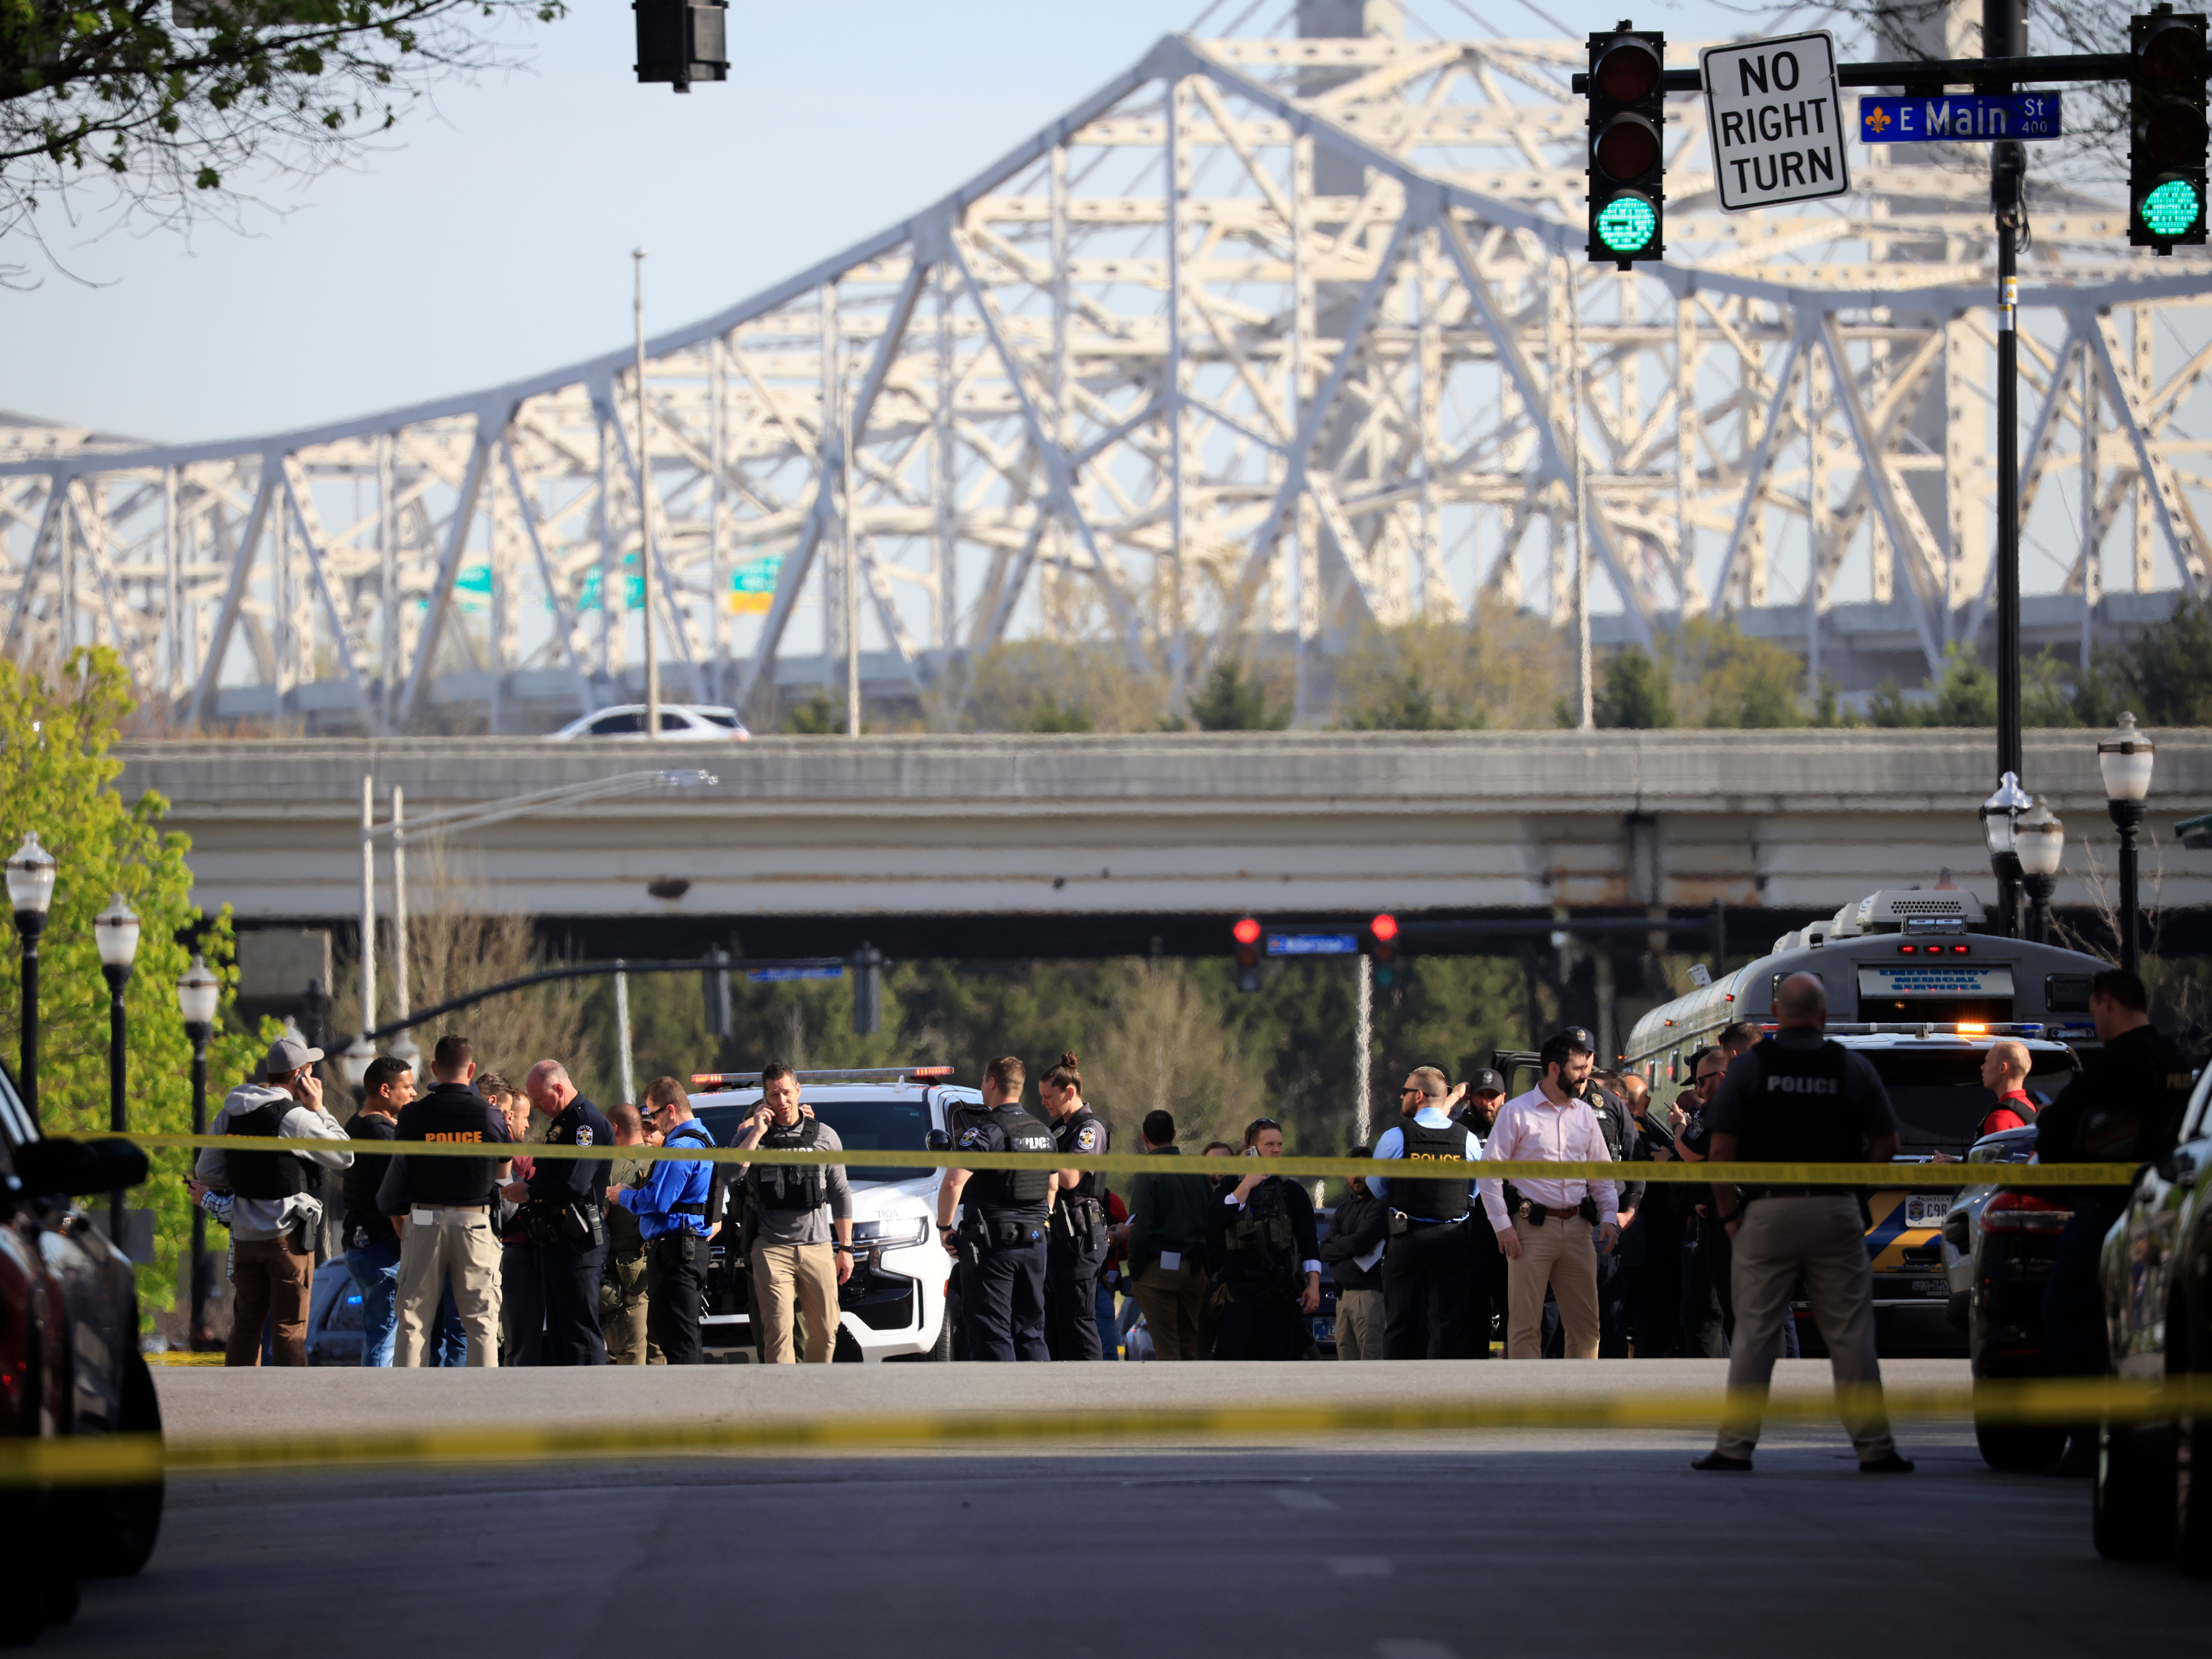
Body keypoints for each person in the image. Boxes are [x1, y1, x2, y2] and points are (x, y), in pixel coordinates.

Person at [1693, 971, 1913, 1473]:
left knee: (1754, 1331)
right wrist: (1853, 1184)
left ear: (1775, 1016)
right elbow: (1888, 1144)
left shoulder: (1749, 1071)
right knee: (1851, 1333)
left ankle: (1735, 1446)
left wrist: (1729, 1216)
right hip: (1836, 1212)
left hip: (1768, 1212)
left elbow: (1721, 1152)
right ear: (1824, 1016)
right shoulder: (1851, 1067)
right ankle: (1875, 1448)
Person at [2031, 967, 2193, 1476]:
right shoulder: (2178, 1062)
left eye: (2093, 1009)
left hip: (2107, 1210)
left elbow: (2056, 1129)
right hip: (2169, 1211)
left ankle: (2088, 1437)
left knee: (2065, 1309)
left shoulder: (2114, 1065)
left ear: (2105, 1002)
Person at [195, 1035, 354, 1367]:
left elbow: (206, 1170)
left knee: (246, 1328)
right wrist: (320, 1108)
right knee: (289, 1329)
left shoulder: (232, 1109)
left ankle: (239, 1404)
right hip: (285, 1239)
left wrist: (247, 1179)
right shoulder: (294, 1117)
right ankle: (291, 1409)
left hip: (244, 1239)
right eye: (309, 1071)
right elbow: (345, 1155)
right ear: (298, 1076)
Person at [1478, 1030, 1619, 1360]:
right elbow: (1489, 1174)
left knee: (1586, 1327)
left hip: (1579, 1230)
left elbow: (1601, 1174)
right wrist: (1502, 1226)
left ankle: (1577, 1407)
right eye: (1579, 1068)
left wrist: (1610, 1217)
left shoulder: (1585, 1114)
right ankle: (1528, 1405)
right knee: (1526, 1327)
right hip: (1530, 1231)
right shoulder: (1516, 1113)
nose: (1586, 1075)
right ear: (1554, 1069)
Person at [377, 1035, 511, 1366]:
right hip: (475, 1223)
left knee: (413, 1321)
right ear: (472, 1070)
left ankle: (409, 1410)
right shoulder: (489, 1115)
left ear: (435, 1069)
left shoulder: (413, 1116)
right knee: (481, 1322)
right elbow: (503, 1170)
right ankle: (481, 1409)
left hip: (424, 1221)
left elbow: (402, 1166)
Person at [936, 1056, 1056, 1361]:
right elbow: (1053, 1187)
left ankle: (1004, 1405)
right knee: (1031, 1330)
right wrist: (1041, 1222)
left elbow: (953, 1183)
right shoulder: (1043, 1131)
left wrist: (944, 1228)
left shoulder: (987, 1131)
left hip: (994, 1247)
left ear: (991, 1083)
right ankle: (1038, 1403)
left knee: (993, 1331)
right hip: (1035, 1243)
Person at [734, 1063, 853, 1363]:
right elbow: (729, 1174)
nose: (782, 1100)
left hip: (818, 1246)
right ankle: (784, 1404)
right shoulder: (752, 1137)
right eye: (774, 1095)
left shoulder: (825, 1136)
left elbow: (840, 1193)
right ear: (765, 1099)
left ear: (798, 1091)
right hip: (771, 1248)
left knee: (827, 1331)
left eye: (787, 1092)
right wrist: (756, 1131)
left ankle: (810, 1396)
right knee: (778, 1332)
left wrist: (846, 1248)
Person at [504, 1059, 612, 1366]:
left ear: (559, 1089)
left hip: (578, 1242)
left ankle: (591, 1404)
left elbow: (574, 1184)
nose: (536, 1106)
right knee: (562, 1334)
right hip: (558, 1242)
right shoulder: (565, 1123)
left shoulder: (585, 1124)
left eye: (538, 1099)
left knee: (580, 1334)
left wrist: (528, 1192)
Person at [1371, 1066, 1482, 1359]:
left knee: (1399, 1323)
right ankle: (1439, 1396)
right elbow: (1474, 1190)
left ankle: (1396, 1393)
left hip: (1407, 1239)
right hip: (1452, 1240)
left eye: (1405, 1092)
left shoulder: (1395, 1137)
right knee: (1445, 1324)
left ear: (1418, 1096)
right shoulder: (1467, 1139)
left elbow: (1376, 1187)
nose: (1401, 1097)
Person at [614, 1076, 716, 1366]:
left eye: (654, 1114)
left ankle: (692, 1407)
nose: (654, 1123)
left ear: (670, 1110)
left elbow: (658, 1201)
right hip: (689, 1248)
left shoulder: (681, 1147)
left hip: (677, 1253)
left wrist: (624, 1196)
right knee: (682, 1337)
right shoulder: (704, 1139)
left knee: (679, 1343)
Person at [1207, 1118, 1323, 1360]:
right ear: (1252, 1149)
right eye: (1270, 1144)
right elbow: (1216, 1221)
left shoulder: (1292, 1191)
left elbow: (1309, 1242)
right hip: (1239, 1289)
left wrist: (1313, 1286)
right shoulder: (1231, 1184)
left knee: (1282, 1356)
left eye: (1280, 1144)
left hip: (1278, 1287)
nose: (1277, 1150)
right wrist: (1246, 1185)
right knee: (1232, 1354)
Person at [1117, 1109, 1210, 1361]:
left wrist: (1135, 1271)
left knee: (1167, 1348)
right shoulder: (1198, 1170)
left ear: (1145, 1137)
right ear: (1174, 1135)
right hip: (1195, 1269)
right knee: (1189, 1345)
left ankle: (1170, 1400)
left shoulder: (1149, 1172)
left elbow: (1140, 1229)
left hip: (1158, 1272)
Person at [339, 1054, 415, 1366]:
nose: (413, 1093)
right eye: (407, 1087)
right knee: (383, 1338)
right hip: (383, 1249)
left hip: (359, 1244)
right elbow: (393, 1201)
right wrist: (410, 1246)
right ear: (385, 1090)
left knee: (378, 1334)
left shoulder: (357, 1124)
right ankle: (375, 1408)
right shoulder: (382, 1135)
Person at [600, 1103, 657, 1365]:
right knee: (659, 1351)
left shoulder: (608, 1167)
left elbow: (598, 1219)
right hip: (661, 1269)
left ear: (613, 1128)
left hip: (626, 1278)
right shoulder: (663, 1159)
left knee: (630, 1354)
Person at [1317, 1148, 1387, 1360]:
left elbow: (1358, 1243)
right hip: (1342, 1297)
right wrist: (1346, 1245)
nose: (1357, 1176)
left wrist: (1339, 1244)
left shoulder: (1380, 1206)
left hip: (1369, 1296)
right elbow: (1323, 1249)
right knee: (1346, 1367)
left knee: (1371, 1362)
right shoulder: (1343, 1209)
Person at [1977, 1041, 2038, 1138]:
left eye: (1987, 1062)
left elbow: (1996, 1153)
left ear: (2002, 1068)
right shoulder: (2031, 1106)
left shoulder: (2000, 1118)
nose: (1982, 1067)